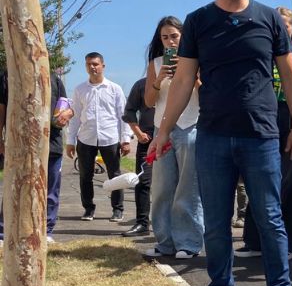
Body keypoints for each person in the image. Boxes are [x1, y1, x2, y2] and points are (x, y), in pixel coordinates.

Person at [148, 0, 292, 286]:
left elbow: (288, 76)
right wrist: (164, 129)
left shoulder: (269, 18)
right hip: (213, 135)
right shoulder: (198, 22)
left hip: (261, 134)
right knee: (216, 220)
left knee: (269, 216)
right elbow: (183, 81)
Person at [237, 6, 292, 260]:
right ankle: (253, 241)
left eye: (287, 24)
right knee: (257, 179)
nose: (283, 28)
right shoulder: (262, 56)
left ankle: (289, 243)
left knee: (290, 184)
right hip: (263, 119)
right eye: (278, 24)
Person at [143, 16, 204, 258]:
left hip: (191, 125)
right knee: (161, 187)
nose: (170, 42)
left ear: (184, 35)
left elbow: (206, 93)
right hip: (162, 129)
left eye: (174, 36)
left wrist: (191, 75)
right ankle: (164, 242)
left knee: (188, 188)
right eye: (165, 37)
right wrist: (159, 81)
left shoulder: (197, 60)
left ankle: (188, 243)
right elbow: (148, 102)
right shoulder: (156, 63)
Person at [0, 71, 73, 243]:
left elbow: (66, 106)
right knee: (13, 185)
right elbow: (1, 108)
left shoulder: (54, 77)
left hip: (51, 144)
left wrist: (67, 114)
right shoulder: (9, 73)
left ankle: (46, 230)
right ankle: (4, 231)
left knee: (50, 189)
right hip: (18, 143)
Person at [66, 53, 131, 222]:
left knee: (115, 175)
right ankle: (88, 208)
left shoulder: (114, 89)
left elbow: (123, 116)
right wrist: (70, 141)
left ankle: (118, 209)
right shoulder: (80, 90)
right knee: (85, 175)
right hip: (86, 138)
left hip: (110, 137)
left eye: (95, 64)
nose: (92, 67)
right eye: (88, 64)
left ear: (103, 66)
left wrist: (125, 140)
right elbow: (75, 116)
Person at [121, 77, 154, 237]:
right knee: (143, 181)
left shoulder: (183, 79)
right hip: (147, 140)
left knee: (177, 185)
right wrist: (138, 133)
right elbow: (129, 111)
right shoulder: (141, 84)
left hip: (174, 139)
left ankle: (177, 226)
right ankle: (142, 223)